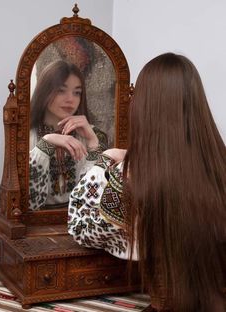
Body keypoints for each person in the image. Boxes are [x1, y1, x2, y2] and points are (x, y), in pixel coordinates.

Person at [68, 53, 226, 311]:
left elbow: (81, 229)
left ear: (143, 107)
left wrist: (104, 158)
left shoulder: (129, 179)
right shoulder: (219, 167)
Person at [29, 60, 108, 210]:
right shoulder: (25, 135)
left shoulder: (94, 135)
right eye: (61, 90)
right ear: (44, 91)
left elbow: (94, 201)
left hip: (81, 227)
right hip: (35, 227)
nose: (70, 99)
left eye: (77, 92)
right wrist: (46, 143)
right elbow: (30, 204)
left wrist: (93, 143)